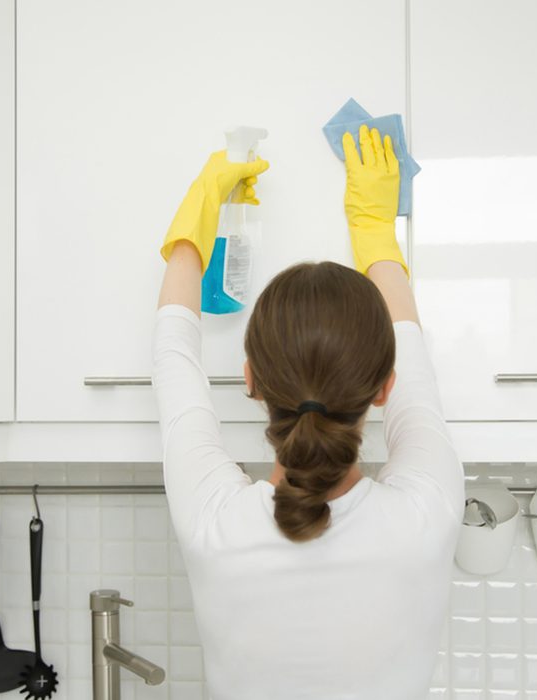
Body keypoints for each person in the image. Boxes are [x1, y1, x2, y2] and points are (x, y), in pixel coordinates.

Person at [152, 124, 465, 700]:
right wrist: (375, 230)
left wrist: (200, 209)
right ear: (383, 387)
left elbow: (173, 354)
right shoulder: (430, 512)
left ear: (249, 380)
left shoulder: (213, 522)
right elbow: (414, 365)